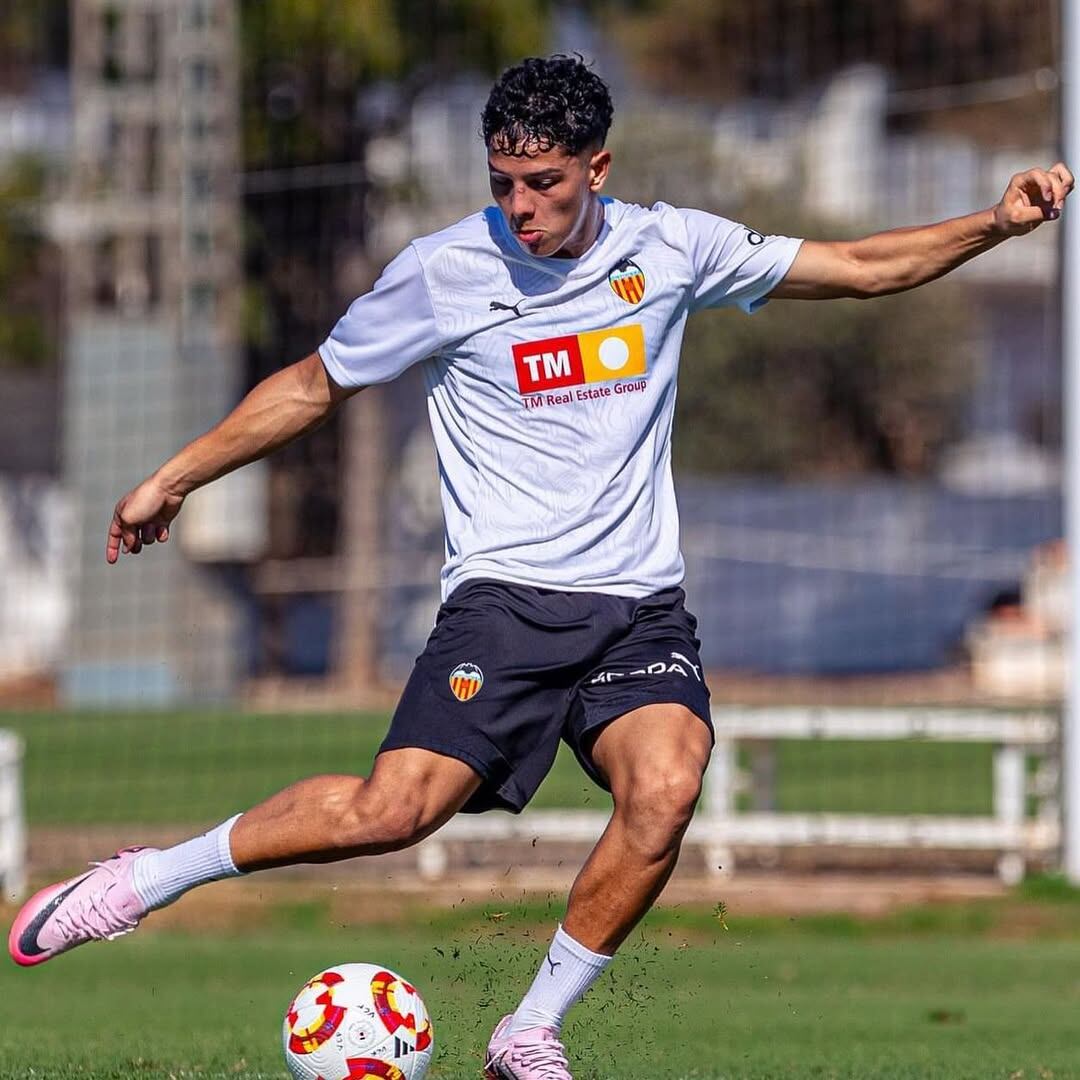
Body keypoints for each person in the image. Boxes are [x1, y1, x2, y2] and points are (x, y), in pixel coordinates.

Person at [8, 54, 1073, 1080]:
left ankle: (529, 1031)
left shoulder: (671, 250)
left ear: (597, 170)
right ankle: (145, 879)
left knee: (666, 786)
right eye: (503, 183)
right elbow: (309, 386)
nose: (521, 207)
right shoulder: (442, 271)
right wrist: (174, 476)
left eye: (545, 184)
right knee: (393, 813)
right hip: (505, 607)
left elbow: (858, 269)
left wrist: (993, 222)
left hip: (640, 613)